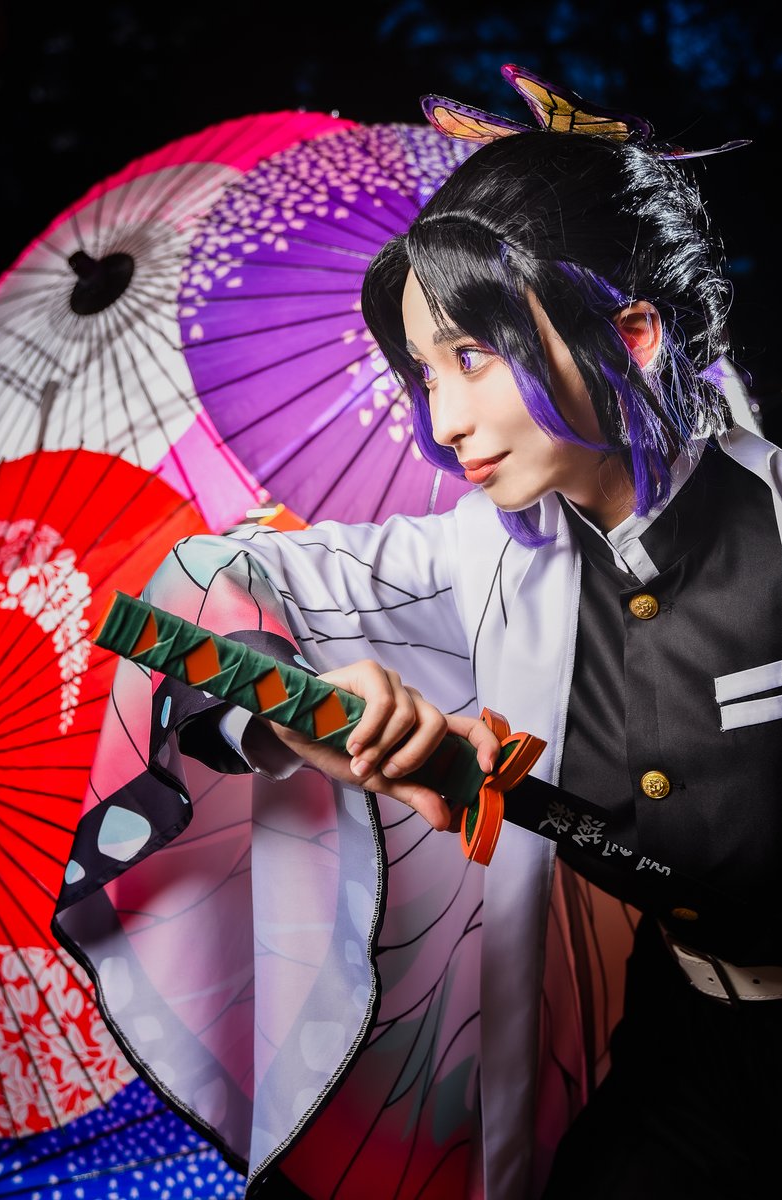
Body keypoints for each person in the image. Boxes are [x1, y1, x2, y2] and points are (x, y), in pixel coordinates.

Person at [52, 66, 781, 1200]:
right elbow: (189, 595)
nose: (443, 424)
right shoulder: (488, 558)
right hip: (676, 1051)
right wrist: (306, 714)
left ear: (632, 334)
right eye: (424, 374)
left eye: (472, 358)